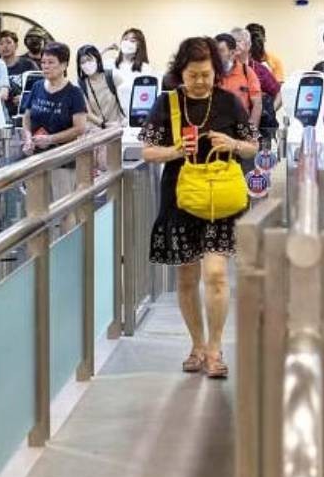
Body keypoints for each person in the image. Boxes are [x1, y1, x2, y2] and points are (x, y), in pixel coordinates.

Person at [139, 36, 257, 379]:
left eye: (206, 74)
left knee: (216, 273)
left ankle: (215, 349)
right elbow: (147, 151)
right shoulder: (167, 103)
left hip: (222, 199)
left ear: (216, 72)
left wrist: (232, 143)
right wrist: (175, 150)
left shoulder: (229, 102)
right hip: (180, 197)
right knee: (187, 275)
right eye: (193, 75)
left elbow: (252, 146)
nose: (200, 81)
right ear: (181, 73)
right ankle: (197, 345)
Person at [21, 41, 87, 156]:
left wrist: (51, 139)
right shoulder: (37, 86)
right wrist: (28, 138)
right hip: (36, 154)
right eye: (43, 62)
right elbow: (26, 118)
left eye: (51, 62)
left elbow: (80, 128)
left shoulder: (74, 93)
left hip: (62, 156)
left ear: (64, 65)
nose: (46, 66)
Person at [215, 31, 263, 127]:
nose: (216, 55)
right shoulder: (211, 74)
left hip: (240, 127)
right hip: (217, 127)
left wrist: (251, 131)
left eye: (221, 51)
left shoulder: (247, 72)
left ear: (232, 53)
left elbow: (257, 104)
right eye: (214, 51)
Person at [76, 44, 123, 128]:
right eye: (82, 62)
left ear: (97, 60)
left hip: (119, 125)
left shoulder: (112, 76)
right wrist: (104, 124)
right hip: (98, 129)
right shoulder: (81, 84)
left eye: (89, 60)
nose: (87, 64)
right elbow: (88, 112)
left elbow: (125, 102)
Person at [0, 30, 37, 115]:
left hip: (25, 113)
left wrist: (25, 98)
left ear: (16, 45)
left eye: (8, 42)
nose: (5, 46)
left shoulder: (28, 64)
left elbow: (39, 89)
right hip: (1, 113)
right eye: (1, 43)